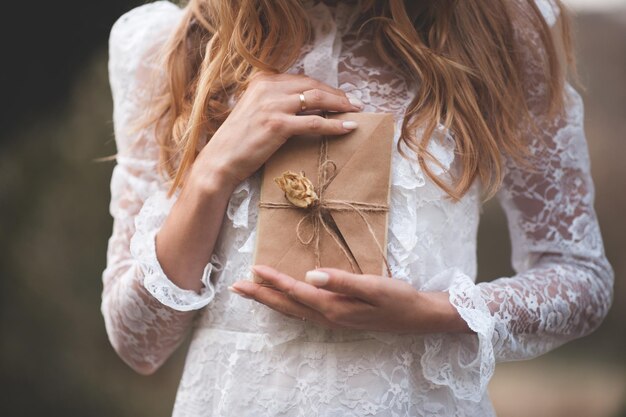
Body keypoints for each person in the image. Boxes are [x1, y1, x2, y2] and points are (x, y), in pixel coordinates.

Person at [101, 0, 614, 415]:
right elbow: (137, 343)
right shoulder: (168, 45)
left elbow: (581, 275)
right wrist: (211, 175)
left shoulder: (494, 26)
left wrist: (435, 313)